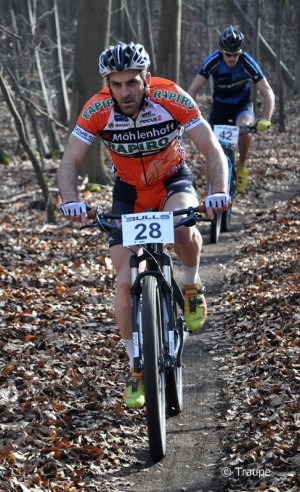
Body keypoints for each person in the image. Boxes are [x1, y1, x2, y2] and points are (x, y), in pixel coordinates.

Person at [58, 41, 229, 410]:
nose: (125, 92)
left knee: (183, 228)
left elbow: (212, 148)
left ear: (146, 78)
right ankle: (137, 363)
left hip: (171, 182)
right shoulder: (98, 108)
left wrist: (218, 190)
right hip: (128, 193)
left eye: (132, 83)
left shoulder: (173, 98)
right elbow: (70, 160)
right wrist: (70, 200)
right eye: (116, 84)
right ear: (108, 83)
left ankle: (190, 284)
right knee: (123, 280)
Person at [188, 26, 275, 193]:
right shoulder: (213, 60)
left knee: (244, 129)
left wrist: (266, 117)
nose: (232, 58)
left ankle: (241, 166)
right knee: (211, 153)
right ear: (222, 51)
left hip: (242, 106)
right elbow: (193, 89)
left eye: (236, 54)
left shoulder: (246, 61)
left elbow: (267, 92)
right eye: (228, 54)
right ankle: (210, 196)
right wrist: (190, 113)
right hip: (220, 107)